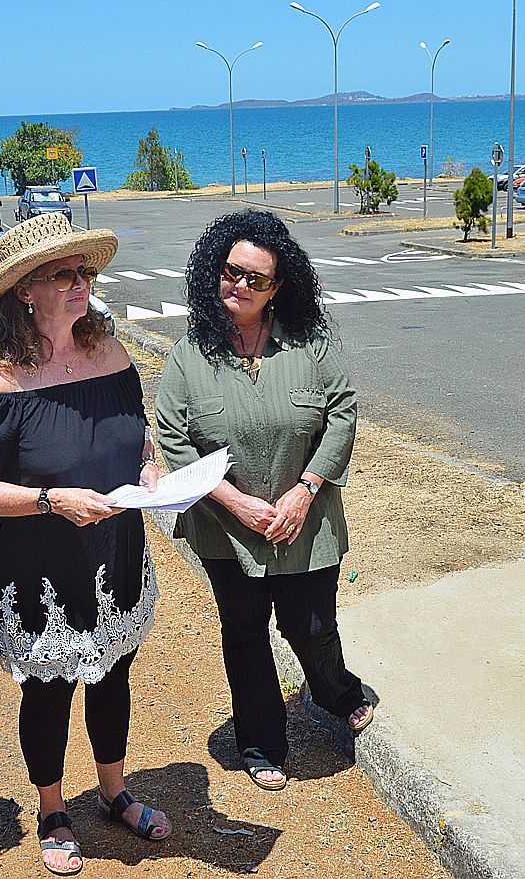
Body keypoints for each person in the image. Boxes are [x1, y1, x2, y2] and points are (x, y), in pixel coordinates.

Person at [0, 213, 168, 876]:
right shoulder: (1, 380)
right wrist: (49, 501)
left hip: (115, 553)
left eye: (85, 273)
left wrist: (151, 470)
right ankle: (52, 810)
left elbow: (137, 432)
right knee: (49, 689)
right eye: (63, 274)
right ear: (25, 291)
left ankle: (112, 792)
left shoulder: (112, 352)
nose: (80, 284)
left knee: (112, 676)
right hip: (38, 571)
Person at [154, 209, 372, 792]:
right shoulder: (188, 355)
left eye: (256, 278)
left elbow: (342, 413)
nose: (240, 287)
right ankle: (261, 741)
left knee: (311, 625)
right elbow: (172, 436)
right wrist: (236, 504)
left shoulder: (312, 343)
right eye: (231, 272)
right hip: (227, 530)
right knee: (245, 633)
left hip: (306, 520)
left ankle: (334, 690)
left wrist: (306, 490)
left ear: (279, 286)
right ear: (214, 271)